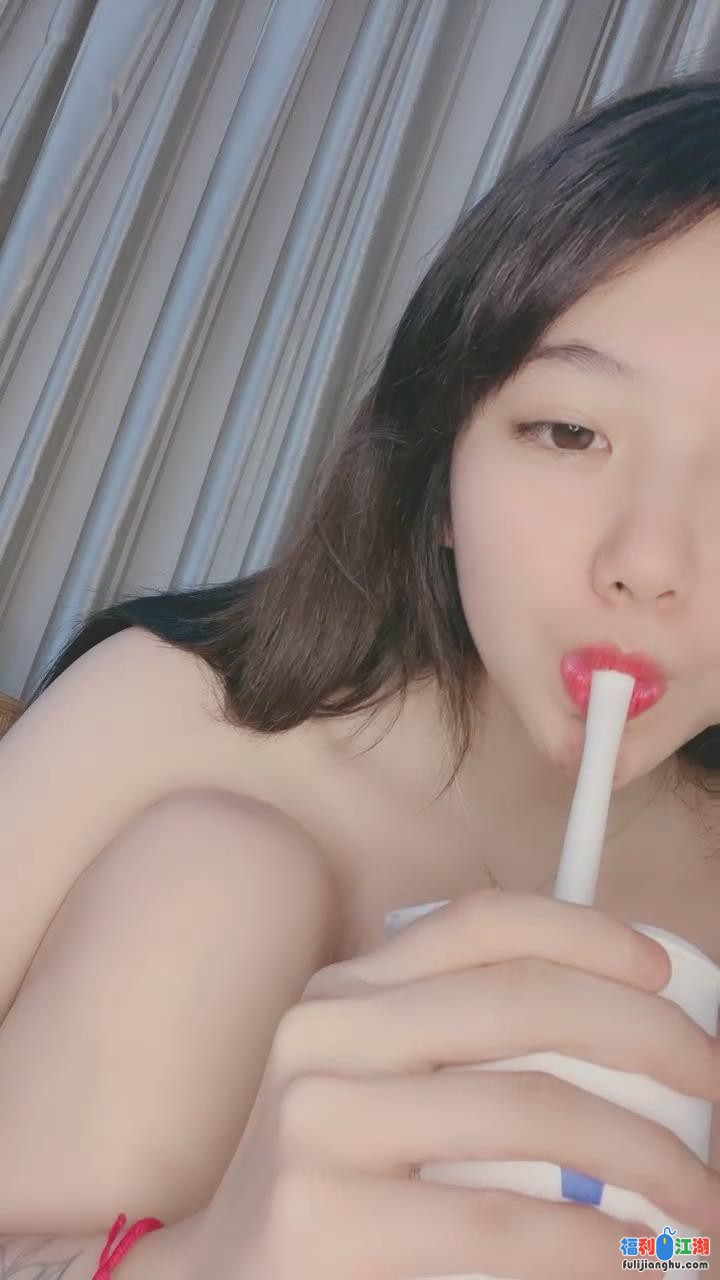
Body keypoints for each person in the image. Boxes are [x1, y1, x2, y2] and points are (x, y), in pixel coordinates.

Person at [0, 72, 719, 1280]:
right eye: (569, 432)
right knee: (215, 874)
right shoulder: (164, 714)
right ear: (439, 475)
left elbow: (669, 1253)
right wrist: (193, 1264)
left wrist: (667, 1253)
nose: (648, 562)